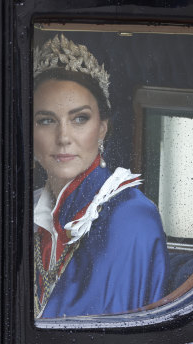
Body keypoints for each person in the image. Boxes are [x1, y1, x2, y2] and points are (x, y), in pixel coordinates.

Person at [33, 35, 168, 319]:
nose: (63, 137)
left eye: (79, 118)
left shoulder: (132, 218)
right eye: (46, 120)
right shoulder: (29, 212)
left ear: (103, 128)